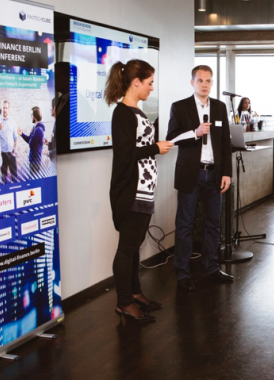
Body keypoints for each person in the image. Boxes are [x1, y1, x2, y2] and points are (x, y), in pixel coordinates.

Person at [106, 59, 173, 323]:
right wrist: (155, 148)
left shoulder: (137, 111)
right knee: (126, 249)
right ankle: (123, 303)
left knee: (134, 247)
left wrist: (155, 146)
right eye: (149, 83)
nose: (151, 88)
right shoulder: (122, 113)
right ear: (136, 82)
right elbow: (124, 155)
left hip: (144, 191)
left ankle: (134, 293)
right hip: (130, 193)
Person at [167, 65, 233, 291]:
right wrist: (195, 133)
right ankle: (183, 274)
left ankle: (211, 268)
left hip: (214, 174)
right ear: (192, 82)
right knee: (184, 225)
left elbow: (225, 142)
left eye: (208, 81)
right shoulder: (180, 107)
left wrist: (227, 173)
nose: (204, 85)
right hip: (190, 174)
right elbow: (172, 138)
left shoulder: (220, 107)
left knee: (213, 224)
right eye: (200, 80)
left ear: (212, 83)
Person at [18, 107, 46, 176]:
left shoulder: (38, 130)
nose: (31, 116)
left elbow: (30, 143)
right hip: (32, 161)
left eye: (32, 115)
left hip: (36, 162)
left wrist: (31, 138)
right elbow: (29, 139)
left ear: (35, 117)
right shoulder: (35, 128)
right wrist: (21, 134)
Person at [0, 100, 18, 183]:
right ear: (1, 108)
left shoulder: (12, 122)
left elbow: (15, 138)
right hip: (3, 155)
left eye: (6, 108)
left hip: (11, 155)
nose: (4, 110)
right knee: (4, 179)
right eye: (3, 108)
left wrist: (14, 150)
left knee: (14, 178)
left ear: (8, 109)